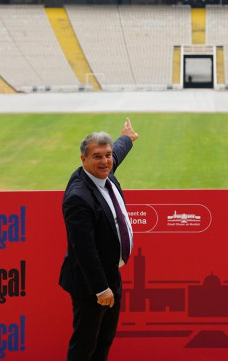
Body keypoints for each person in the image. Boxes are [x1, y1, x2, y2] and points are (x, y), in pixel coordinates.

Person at [59, 118, 140, 361]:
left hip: (111, 274)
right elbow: (84, 250)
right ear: (83, 160)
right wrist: (101, 288)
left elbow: (115, 153)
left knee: (104, 341)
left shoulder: (104, 173)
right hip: (91, 285)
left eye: (108, 155)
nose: (105, 161)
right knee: (85, 346)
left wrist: (127, 138)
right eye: (97, 156)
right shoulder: (78, 197)